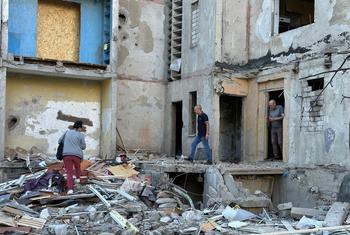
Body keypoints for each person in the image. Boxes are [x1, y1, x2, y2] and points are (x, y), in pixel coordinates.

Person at [58, 120, 86, 194]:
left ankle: (70, 189)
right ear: (79, 128)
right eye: (81, 128)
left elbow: (59, 141)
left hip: (66, 155)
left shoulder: (67, 132)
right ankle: (77, 179)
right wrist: (77, 145)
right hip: (77, 155)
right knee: (77, 167)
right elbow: (83, 147)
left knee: (69, 172)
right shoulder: (81, 135)